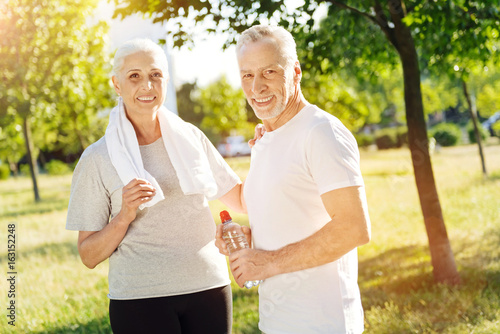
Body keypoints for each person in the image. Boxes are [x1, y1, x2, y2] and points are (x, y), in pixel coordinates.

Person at [66, 38, 246, 334]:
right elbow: (89, 255)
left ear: (166, 79)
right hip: (140, 299)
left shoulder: (191, 138)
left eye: (155, 75)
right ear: (116, 84)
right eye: (134, 76)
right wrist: (124, 215)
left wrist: (270, 148)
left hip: (209, 287)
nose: (147, 85)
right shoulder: (97, 158)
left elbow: (239, 198)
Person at [215, 25, 371, 334]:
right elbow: (264, 203)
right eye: (247, 75)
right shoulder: (266, 137)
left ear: (295, 72)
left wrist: (268, 262)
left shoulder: (321, 132)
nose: (256, 87)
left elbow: (354, 228)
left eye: (269, 72)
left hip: (323, 324)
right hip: (277, 322)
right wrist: (247, 240)